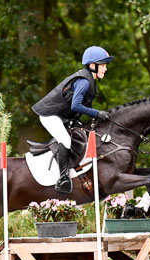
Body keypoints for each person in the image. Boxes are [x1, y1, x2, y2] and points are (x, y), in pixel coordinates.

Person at [32, 46, 113, 194]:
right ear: (92, 66)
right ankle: (63, 179)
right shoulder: (84, 81)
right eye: (103, 65)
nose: (105, 69)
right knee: (66, 140)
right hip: (50, 115)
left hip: (63, 115)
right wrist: (97, 113)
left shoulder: (91, 81)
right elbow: (76, 106)